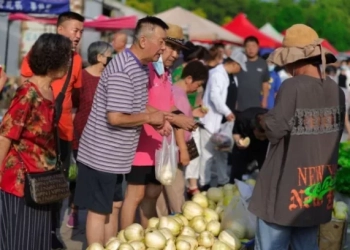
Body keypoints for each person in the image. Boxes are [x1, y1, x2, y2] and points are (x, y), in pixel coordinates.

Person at [74, 16, 168, 246]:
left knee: (112, 207)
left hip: (116, 157)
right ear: (144, 40)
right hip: (100, 155)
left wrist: (161, 118)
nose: (164, 48)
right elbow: (115, 117)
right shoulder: (123, 68)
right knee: (98, 211)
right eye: (162, 41)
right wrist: (149, 118)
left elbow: (135, 105)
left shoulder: (139, 67)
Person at [248, 24, 345, 250]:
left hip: (286, 188)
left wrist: (262, 121)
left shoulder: (293, 86)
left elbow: (274, 130)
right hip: (317, 188)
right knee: (307, 245)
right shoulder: (336, 91)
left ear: (293, 60)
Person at [121, 23, 198, 228]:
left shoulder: (166, 72)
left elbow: (169, 104)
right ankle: (124, 241)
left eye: (179, 50)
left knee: (153, 194)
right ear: (161, 45)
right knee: (135, 195)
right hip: (141, 143)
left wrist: (183, 118)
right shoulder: (146, 68)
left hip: (160, 144)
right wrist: (173, 119)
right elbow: (139, 103)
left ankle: (146, 238)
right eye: (172, 48)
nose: (175, 54)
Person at [0, 33, 72, 250]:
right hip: (20, 184)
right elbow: (4, 136)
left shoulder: (49, 90)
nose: (69, 63)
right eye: (65, 58)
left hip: (42, 184)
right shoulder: (27, 93)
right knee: (19, 241)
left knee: (37, 241)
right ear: (53, 63)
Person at [19, 11, 84, 249]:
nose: (78, 35)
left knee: (59, 185)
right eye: (75, 30)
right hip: (40, 135)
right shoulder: (40, 51)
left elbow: (75, 93)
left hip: (64, 131)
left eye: (81, 31)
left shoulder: (76, 59)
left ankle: (53, 232)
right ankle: (35, 231)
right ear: (60, 30)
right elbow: (25, 80)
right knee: (36, 183)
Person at [69, 41, 114, 229]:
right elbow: (74, 105)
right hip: (82, 133)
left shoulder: (111, 77)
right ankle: (74, 209)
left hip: (104, 136)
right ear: (99, 56)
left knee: (99, 177)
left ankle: (95, 215)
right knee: (80, 176)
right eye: (109, 54)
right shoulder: (83, 77)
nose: (112, 57)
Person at [199, 51, 246, 190]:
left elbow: (231, 96)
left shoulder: (232, 77)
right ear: (234, 64)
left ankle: (222, 182)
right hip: (212, 122)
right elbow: (215, 96)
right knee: (207, 155)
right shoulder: (217, 74)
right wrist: (227, 112)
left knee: (223, 154)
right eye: (240, 67)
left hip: (224, 124)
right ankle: (204, 184)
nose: (240, 70)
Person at [172, 61, 209, 196]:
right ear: (188, 79)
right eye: (197, 84)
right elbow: (178, 124)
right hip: (177, 149)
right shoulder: (179, 95)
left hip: (177, 148)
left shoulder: (178, 92)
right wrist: (183, 150)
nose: (197, 89)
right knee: (176, 192)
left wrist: (192, 114)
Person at [229, 107, 269, 182]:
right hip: (244, 142)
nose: (262, 138)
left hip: (264, 146)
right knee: (237, 170)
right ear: (254, 128)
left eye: (264, 136)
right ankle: (234, 185)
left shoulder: (272, 120)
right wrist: (238, 141)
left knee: (266, 170)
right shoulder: (243, 118)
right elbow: (236, 132)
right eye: (260, 136)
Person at [236, 36, 270, 110]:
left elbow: (265, 83)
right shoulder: (238, 62)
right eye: (248, 46)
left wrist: (264, 100)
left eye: (253, 46)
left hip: (256, 103)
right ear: (244, 48)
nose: (251, 49)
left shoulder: (263, 63)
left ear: (258, 47)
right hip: (239, 103)